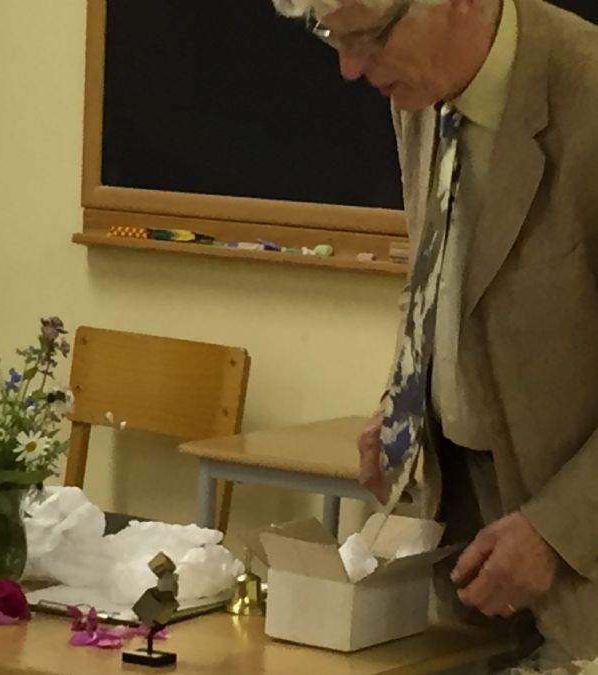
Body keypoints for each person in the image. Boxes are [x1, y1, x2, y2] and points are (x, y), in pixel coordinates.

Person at [273, 0, 598, 667]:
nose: (350, 68)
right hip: (467, 533)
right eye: (333, 36)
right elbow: (446, 275)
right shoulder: (421, 92)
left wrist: (558, 529)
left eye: (370, 35)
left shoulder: (587, 99)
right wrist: (407, 403)